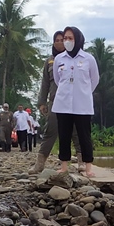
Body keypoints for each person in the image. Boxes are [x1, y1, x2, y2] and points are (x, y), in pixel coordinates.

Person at [52, 26, 99, 177]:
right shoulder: (59, 59)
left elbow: (94, 80)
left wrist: (83, 92)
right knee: (64, 135)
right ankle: (64, 166)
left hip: (82, 105)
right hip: (63, 103)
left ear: (77, 39)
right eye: (65, 38)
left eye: (70, 38)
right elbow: (58, 80)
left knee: (84, 136)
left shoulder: (88, 59)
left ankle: (88, 167)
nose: (67, 41)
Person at [33, 31, 64, 173]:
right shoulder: (49, 61)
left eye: (62, 39)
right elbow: (45, 83)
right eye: (56, 40)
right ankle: (40, 163)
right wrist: (42, 102)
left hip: (72, 102)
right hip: (54, 101)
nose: (59, 42)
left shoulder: (73, 60)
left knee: (76, 131)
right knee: (50, 130)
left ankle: (82, 161)